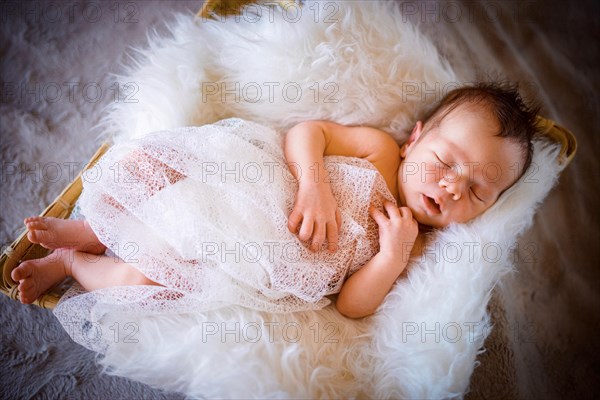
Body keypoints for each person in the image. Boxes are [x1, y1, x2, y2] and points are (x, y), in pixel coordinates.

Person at [11, 82, 539, 319]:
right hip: (255, 190)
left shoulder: (416, 249)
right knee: (166, 179)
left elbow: (353, 307)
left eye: (476, 190)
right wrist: (314, 185)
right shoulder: (378, 151)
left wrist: (390, 257)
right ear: (415, 139)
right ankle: (92, 231)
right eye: (446, 162)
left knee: (152, 282)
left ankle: (72, 263)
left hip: (251, 263)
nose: (450, 186)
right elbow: (308, 132)